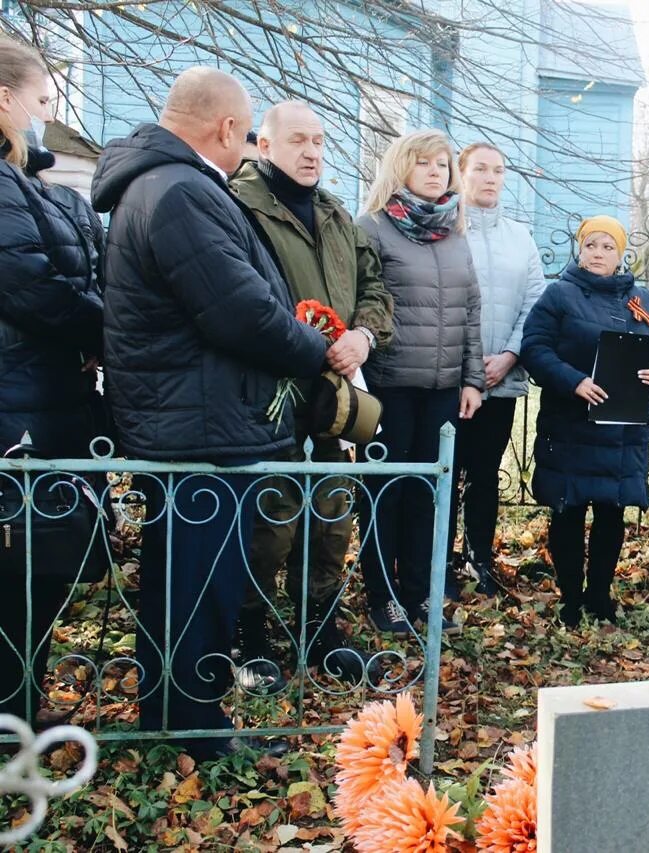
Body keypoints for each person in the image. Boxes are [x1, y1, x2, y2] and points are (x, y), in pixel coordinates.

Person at [91, 67, 329, 759]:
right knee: (200, 588)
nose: (249, 143)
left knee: (188, 584)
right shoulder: (178, 192)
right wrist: (315, 349)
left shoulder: (168, 185)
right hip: (196, 427)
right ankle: (194, 731)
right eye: (249, 130)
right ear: (225, 128)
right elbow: (240, 311)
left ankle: (176, 719)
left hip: (193, 417)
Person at [229, 100, 394, 691]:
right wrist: (304, 344)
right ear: (265, 145)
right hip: (270, 390)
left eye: (320, 141)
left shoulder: (335, 214)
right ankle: (251, 633)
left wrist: (363, 336)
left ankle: (318, 627)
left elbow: (375, 285)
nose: (312, 151)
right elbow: (237, 299)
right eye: (298, 140)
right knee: (271, 520)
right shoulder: (238, 207)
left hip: (336, 392)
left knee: (331, 511)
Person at [0, 36, 106, 720]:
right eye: (41, 100)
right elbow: (28, 282)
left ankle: (16, 709)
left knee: (32, 575)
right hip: (18, 405)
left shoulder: (25, 182)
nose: (47, 114)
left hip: (40, 396)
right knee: (18, 570)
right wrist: (104, 329)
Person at [356, 129, 483, 636]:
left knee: (428, 497)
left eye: (443, 164)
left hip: (442, 389)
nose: (437, 172)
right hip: (389, 387)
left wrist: (471, 380)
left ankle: (421, 595)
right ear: (400, 168)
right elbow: (361, 302)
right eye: (425, 163)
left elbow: (471, 311)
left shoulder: (455, 234)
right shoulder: (372, 228)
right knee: (384, 494)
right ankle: (382, 597)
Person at [522, 216, 649, 627]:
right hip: (571, 423)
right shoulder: (559, 295)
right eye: (592, 245)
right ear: (580, 249)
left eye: (608, 247)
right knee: (568, 511)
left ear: (620, 254)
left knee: (611, 512)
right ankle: (571, 597)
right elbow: (534, 347)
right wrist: (573, 382)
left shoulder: (638, 301)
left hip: (622, 431)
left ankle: (599, 595)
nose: (598, 254)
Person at [450, 141, 545, 595]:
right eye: (481, 169)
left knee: (484, 473)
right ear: (461, 173)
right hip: (449, 379)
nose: (491, 178)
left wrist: (508, 355)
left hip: (500, 379)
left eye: (499, 170)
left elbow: (535, 305)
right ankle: (437, 563)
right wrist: (468, 367)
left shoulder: (519, 237)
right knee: (445, 473)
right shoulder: (443, 229)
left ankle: (478, 560)